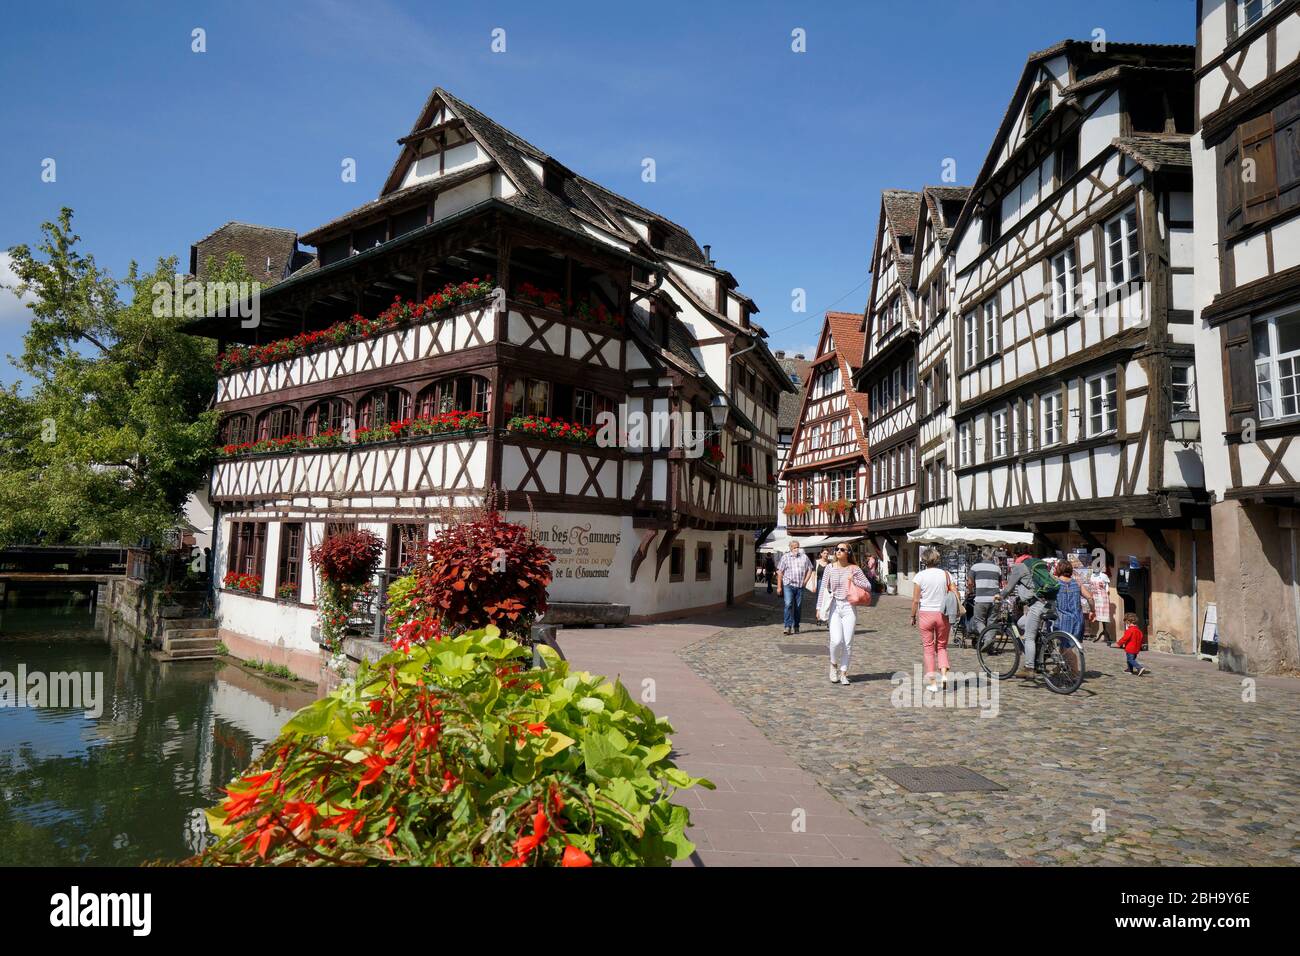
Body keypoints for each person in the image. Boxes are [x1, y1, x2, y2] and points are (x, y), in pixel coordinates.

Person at [816, 544, 872, 685]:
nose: (838, 551)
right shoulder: (830, 567)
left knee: (847, 642)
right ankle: (833, 665)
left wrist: (854, 580)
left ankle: (843, 673)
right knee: (836, 640)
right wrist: (818, 607)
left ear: (848, 553)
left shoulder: (854, 569)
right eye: (837, 549)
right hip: (835, 605)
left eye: (842, 550)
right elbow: (823, 588)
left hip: (849, 607)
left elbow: (869, 586)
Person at [910, 547, 955, 693]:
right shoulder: (946, 575)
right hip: (943, 614)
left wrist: (912, 616)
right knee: (941, 647)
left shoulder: (920, 576)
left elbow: (916, 600)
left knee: (928, 649)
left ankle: (933, 683)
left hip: (926, 614)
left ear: (924, 560)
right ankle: (944, 674)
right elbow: (954, 592)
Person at [775, 539, 814, 635]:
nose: (797, 549)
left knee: (798, 607)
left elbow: (810, 569)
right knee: (788, 604)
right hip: (788, 585)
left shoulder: (804, 557)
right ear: (791, 548)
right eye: (795, 547)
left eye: (798, 547)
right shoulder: (785, 557)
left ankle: (796, 626)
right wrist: (779, 587)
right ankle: (787, 626)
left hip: (800, 586)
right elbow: (780, 572)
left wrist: (805, 581)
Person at [967, 547, 1002, 640]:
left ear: (982, 555)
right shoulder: (997, 569)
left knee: (978, 620)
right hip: (996, 598)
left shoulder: (975, 567)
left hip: (981, 599)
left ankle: (987, 638)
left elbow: (970, 583)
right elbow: (999, 583)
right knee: (992, 622)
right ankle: (990, 645)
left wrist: (970, 591)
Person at [1053, 560, 1091, 642]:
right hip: (1078, 620)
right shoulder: (1077, 583)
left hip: (1062, 620)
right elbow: (1090, 598)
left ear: (1058, 570)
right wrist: (1093, 611)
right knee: (1071, 647)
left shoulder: (1055, 584)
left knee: (1066, 649)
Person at [1089, 561, 1113, 643]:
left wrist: (1106, 593)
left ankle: (1105, 632)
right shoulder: (1092, 576)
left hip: (1102, 597)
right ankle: (1103, 632)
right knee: (1097, 614)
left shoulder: (1103, 576)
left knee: (1103, 614)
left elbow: (1107, 588)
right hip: (1095, 597)